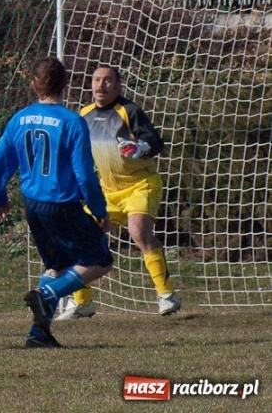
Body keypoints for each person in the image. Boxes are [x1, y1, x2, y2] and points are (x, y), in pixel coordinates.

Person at [0, 56, 113, 348]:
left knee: (56, 266)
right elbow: (85, 176)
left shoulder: (19, 119)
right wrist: (99, 210)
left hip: (33, 205)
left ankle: (39, 333)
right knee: (100, 261)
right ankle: (47, 296)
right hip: (62, 204)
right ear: (65, 85)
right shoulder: (71, 122)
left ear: (33, 85)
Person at [56, 64, 180, 319]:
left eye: (108, 80)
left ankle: (166, 295)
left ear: (118, 85)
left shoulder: (129, 111)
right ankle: (83, 303)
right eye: (97, 80)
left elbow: (157, 142)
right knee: (79, 237)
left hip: (140, 184)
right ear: (91, 84)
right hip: (107, 191)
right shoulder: (84, 115)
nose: (101, 85)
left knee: (138, 230)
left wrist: (141, 147)